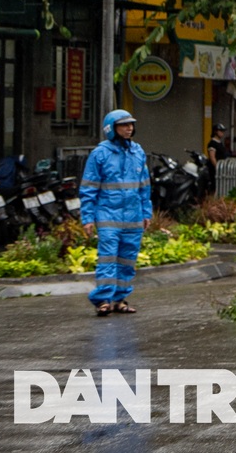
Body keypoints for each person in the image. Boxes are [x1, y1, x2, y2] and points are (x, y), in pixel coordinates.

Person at [81, 109, 153, 317]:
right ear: (111, 128)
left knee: (127, 260)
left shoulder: (137, 152)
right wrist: (88, 218)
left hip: (133, 215)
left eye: (131, 124)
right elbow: (89, 188)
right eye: (124, 125)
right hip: (108, 214)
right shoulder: (100, 154)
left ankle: (119, 299)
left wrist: (146, 213)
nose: (129, 128)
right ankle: (102, 300)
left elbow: (144, 187)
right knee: (108, 258)